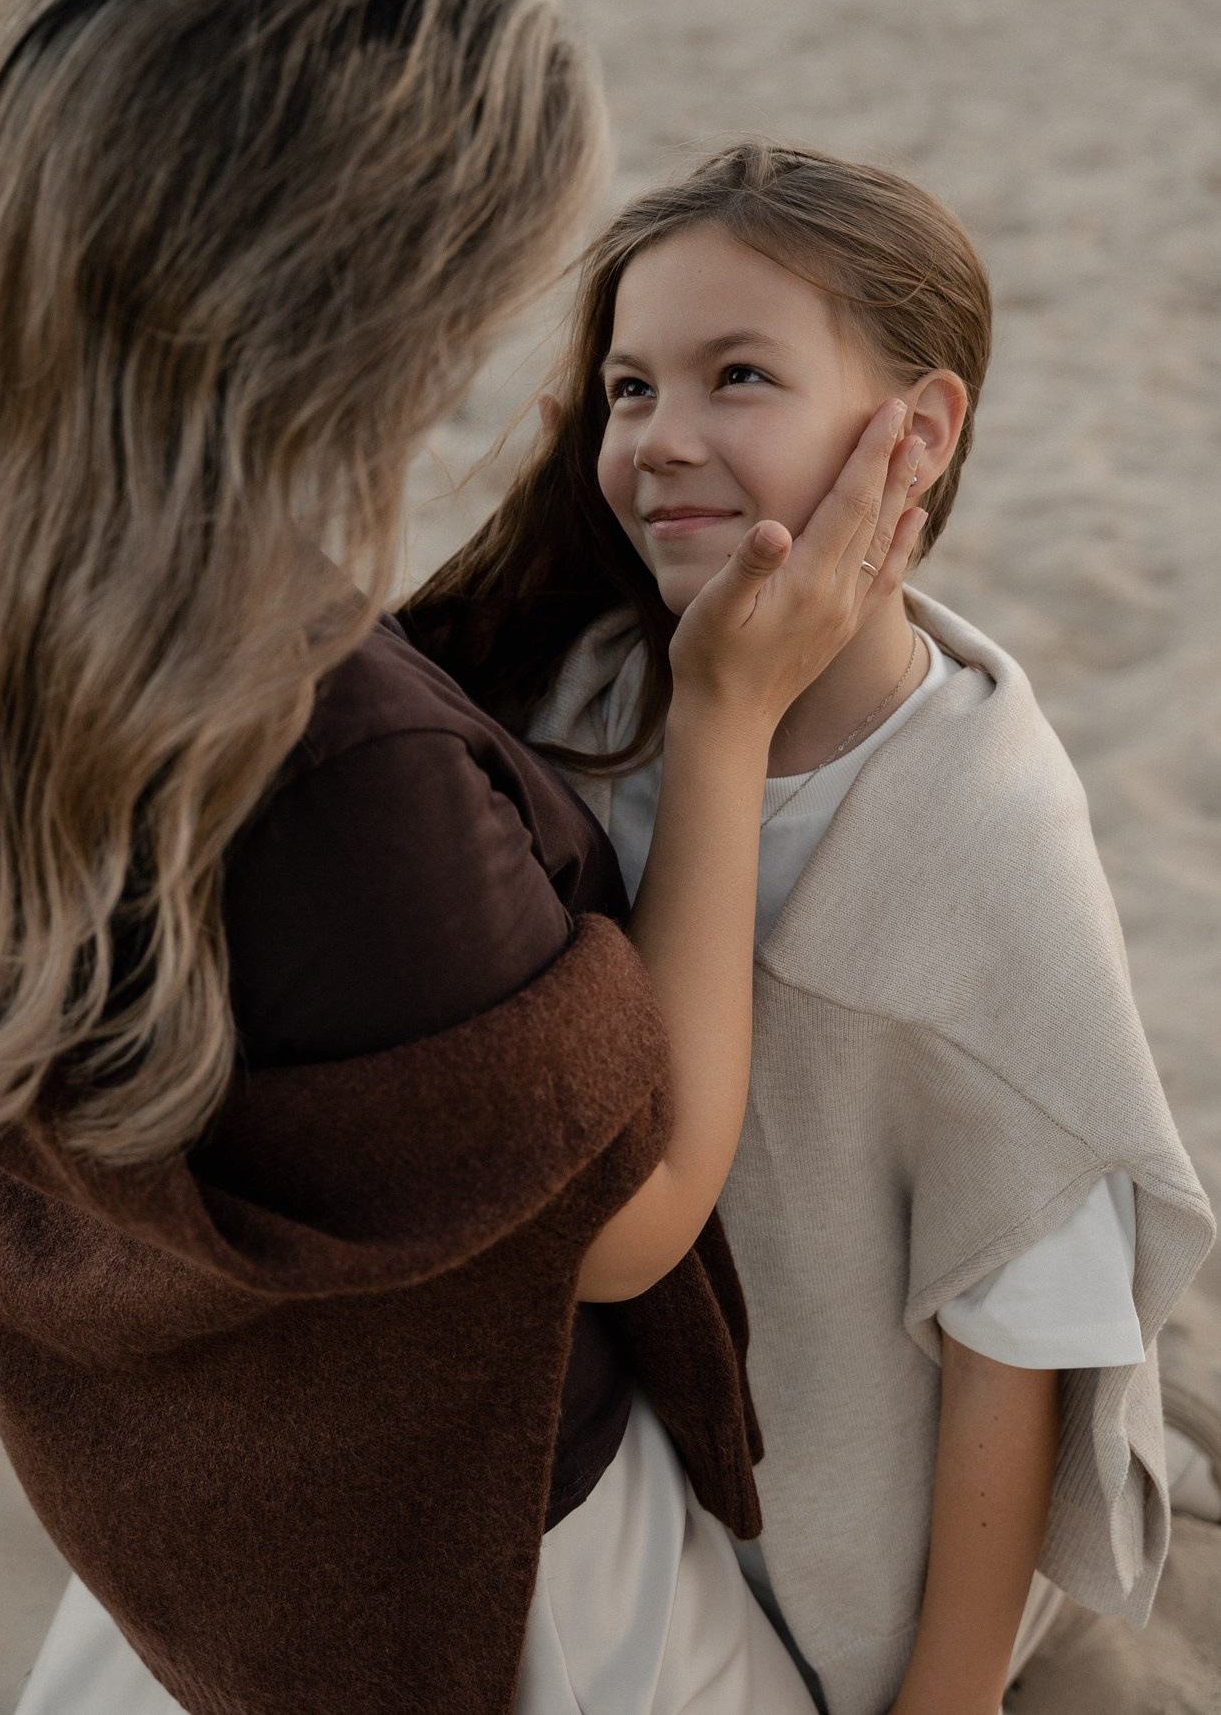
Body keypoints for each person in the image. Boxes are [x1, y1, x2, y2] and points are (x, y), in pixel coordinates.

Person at [0, 0, 924, 1715]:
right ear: (350, 298)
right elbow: (627, 1217)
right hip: (490, 1576)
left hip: (195, 1520)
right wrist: (718, 727)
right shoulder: (337, 768)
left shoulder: (12, 626)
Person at [401, 142, 1217, 1715]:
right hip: (633, 1495)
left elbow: (1014, 1347)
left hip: (847, 1568)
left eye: (741, 375)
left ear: (915, 432)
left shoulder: (980, 839)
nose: (664, 438)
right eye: (630, 389)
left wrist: (950, 1697)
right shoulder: (583, 702)